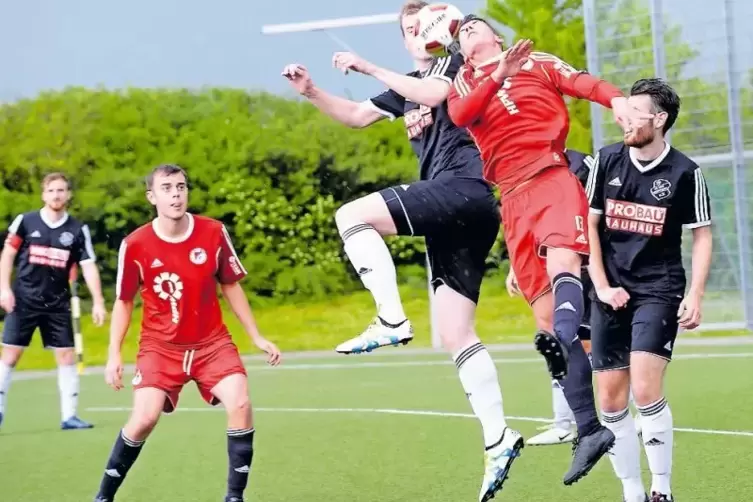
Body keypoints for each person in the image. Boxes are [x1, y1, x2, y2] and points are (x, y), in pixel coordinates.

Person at [282, 3, 523, 500]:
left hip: (464, 188)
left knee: (351, 215)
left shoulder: (455, 66)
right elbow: (355, 116)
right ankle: (499, 436)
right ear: (406, 41)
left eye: (423, 27)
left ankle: (391, 318)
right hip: (460, 211)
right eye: (409, 31)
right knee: (455, 333)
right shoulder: (407, 82)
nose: (418, 36)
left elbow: (436, 92)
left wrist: (367, 66)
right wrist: (311, 92)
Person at [447, 15, 653, 485]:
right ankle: (588, 429)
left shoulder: (535, 61)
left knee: (563, 264)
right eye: (461, 34)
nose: (467, 34)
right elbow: (461, 116)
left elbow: (581, 82)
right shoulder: (462, 82)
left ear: (495, 36)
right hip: (512, 199)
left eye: (474, 27)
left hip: (551, 177)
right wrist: (495, 76)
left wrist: (617, 99)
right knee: (544, 317)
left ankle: (565, 336)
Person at [92, 164, 282, 502]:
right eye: (166, 188)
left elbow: (231, 286)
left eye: (181, 187)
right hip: (160, 348)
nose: (176, 194)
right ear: (152, 196)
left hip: (212, 344)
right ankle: (104, 496)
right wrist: (113, 355)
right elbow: (123, 302)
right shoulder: (135, 244)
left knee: (240, 403)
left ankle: (234, 497)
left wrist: (256, 336)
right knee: (143, 420)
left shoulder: (213, 232)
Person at [586, 78, 712, 502]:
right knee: (609, 399)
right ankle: (632, 491)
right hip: (609, 291)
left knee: (644, 388)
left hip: (659, 289)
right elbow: (590, 226)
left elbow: (702, 234)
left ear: (658, 120)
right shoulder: (604, 161)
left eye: (634, 113)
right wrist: (601, 287)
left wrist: (695, 293)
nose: (624, 119)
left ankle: (661, 489)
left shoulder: (686, 173)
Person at [0, 172, 107, 430]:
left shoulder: (77, 229)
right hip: (24, 299)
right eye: (51, 191)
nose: (56, 195)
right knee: (10, 355)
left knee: (67, 357)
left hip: (58, 304)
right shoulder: (26, 222)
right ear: (43, 194)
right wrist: (4, 288)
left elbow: (88, 265)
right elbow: (8, 254)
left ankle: (69, 416)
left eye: (61, 190)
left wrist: (98, 301)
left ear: (68, 194)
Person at [510, 149, 595, 447]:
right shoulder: (526, 167)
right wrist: (515, 266)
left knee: (591, 340)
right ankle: (563, 422)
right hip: (546, 262)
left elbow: (593, 212)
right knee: (554, 339)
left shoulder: (580, 163)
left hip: (581, 261)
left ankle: (628, 409)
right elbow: (525, 223)